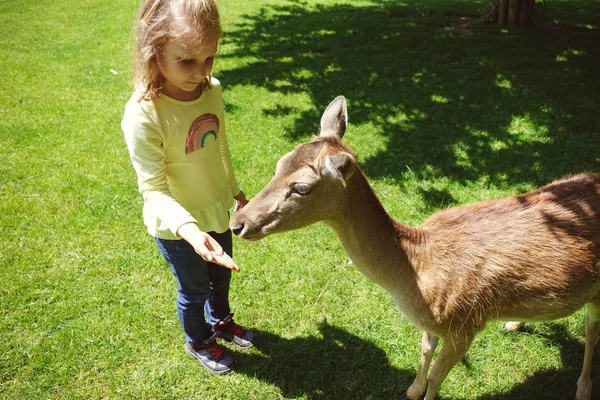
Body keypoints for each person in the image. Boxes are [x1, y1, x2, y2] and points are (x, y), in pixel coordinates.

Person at [121, 0, 253, 375]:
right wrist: (192, 233)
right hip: (177, 228)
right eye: (186, 61)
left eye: (209, 58)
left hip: (215, 209)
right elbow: (154, 189)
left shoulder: (211, 90)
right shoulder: (143, 114)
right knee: (194, 290)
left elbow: (219, 146)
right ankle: (198, 340)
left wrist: (235, 191)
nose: (201, 72)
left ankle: (221, 320)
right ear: (153, 51)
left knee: (221, 277)